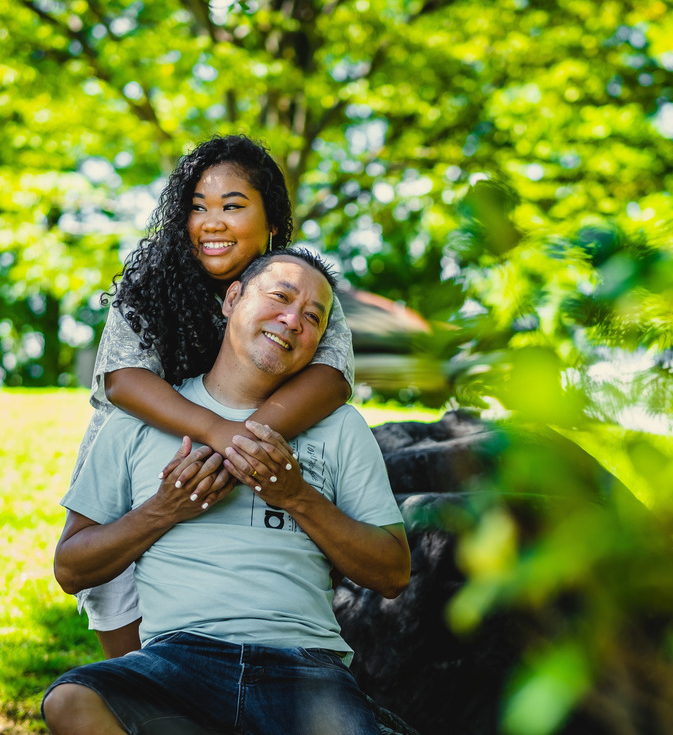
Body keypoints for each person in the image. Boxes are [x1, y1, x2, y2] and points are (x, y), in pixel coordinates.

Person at [44, 249, 410, 735]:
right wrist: (163, 510)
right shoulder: (139, 423)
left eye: (312, 317)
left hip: (304, 668)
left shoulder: (340, 427)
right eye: (280, 297)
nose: (292, 320)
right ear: (232, 298)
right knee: (72, 701)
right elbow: (71, 568)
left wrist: (298, 496)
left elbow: (393, 571)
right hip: (177, 662)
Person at [74, 135, 355, 657]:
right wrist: (220, 433)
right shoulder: (149, 285)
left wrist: (243, 445)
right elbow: (123, 380)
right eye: (197, 207)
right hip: (132, 483)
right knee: (144, 676)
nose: (212, 221)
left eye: (232, 206)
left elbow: (332, 377)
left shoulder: (300, 291)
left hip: (238, 487)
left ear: (273, 221)